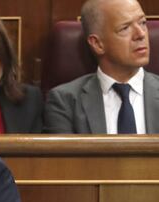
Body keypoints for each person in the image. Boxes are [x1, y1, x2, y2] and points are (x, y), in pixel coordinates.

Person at [44, 0, 159, 134]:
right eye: (125, 28)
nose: (141, 34)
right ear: (97, 44)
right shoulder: (65, 102)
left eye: (142, 23)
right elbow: (61, 154)